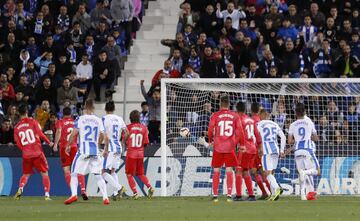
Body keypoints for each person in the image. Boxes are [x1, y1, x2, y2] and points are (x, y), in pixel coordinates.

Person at [64, 99, 110, 205]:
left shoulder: (80, 119)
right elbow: (105, 136)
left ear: (85, 107)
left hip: (83, 152)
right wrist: (104, 148)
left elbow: (74, 134)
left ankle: (74, 195)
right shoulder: (98, 120)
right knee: (98, 175)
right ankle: (105, 198)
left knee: (74, 173)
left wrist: (68, 145)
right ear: (93, 108)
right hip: (95, 152)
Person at [207, 94, 245, 202]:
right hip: (230, 147)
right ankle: (229, 195)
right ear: (229, 103)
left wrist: (210, 141)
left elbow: (210, 129)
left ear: (220, 103)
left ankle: (215, 196)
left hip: (218, 147)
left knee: (216, 171)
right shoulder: (235, 116)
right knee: (229, 170)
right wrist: (240, 144)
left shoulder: (215, 115)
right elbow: (240, 131)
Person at [13, 104, 54, 200]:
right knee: (44, 173)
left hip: (26, 155)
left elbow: (18, 143)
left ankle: (20, 188)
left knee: (26, 174)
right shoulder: (33, 122)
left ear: (19, 113)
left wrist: (25, 149)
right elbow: (40, 134)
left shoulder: (17, 127)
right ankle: (47, 195)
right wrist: (49, 142)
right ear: (27, 112)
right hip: (37, 153)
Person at [53, 107, 88, 200]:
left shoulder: (60, 122)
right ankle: (83, 190)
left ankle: (73, 193)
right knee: (78, 169)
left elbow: (59, 131)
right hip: (74, 147)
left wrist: (55, 144)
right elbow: (80, 133)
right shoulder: (75, 121)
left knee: (67, 170)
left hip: (64, 148)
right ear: (71, 114)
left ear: (62, 114)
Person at [288, 103, 320, 201]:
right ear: (304, 112)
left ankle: (303, 195)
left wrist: (297, 140)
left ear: (296, 113)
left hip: (297, 150)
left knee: (301, 173)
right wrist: (309, 137)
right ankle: (305, 173)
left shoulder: (292, 125)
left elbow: (289, 141)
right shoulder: (309, 122)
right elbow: (316, 138)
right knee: (317, 171)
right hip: (307, 150)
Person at [125, 110, 155, 199]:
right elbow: (146, 143)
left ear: (130, 118)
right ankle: (150, 187)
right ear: (139, 118)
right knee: (141, 173)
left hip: (131, 154)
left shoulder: (128, 128)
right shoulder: (144, 128)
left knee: (129, 174)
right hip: (140, 154)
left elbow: (124, 139)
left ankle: (135, 193)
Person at [235, 102, 261, 201]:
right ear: (245, 110)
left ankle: (238, 195)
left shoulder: (239, 120)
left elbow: (238, 135)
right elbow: (257, 135)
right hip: (253, 149)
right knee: (245, 171)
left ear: (236, 109)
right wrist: (259, 147)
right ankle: (251, 195)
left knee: (238, 171)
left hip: (244, 149)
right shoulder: (251, 119)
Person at [257, 109, 286, 201]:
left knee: (266, 173)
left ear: (261, 115)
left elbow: (256, 137)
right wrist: (282, 150)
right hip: (276, 150)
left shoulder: (259, 124)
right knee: (271, 173)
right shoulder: (274, 124)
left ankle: (277, 188)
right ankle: (274, 195)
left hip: (266, 151)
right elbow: (283, 137)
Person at [101, 101, 127, 200]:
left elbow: (103, 135)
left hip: (110, 148)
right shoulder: (119, 119)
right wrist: (123, 142)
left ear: (105, 109)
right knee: (113, 171)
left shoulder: (103, 119)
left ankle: (120, 188)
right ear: (114, 109)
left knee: (103, 172)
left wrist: (100, 145)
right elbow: (127, 132)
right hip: (118, 147)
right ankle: (116, 194)